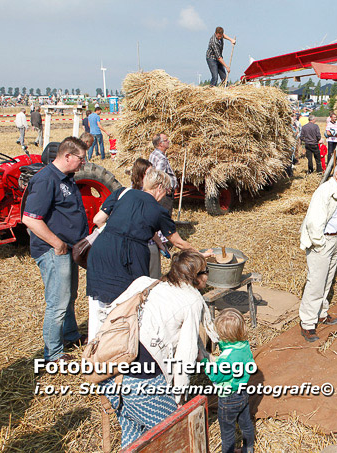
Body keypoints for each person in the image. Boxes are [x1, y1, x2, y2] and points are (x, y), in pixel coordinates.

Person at [100, 250, 220, 448]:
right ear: (196, 275)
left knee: (133, 434)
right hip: (142, 386)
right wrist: (179, 397)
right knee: (175, 437)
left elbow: (110, 314)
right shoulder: (191, 300)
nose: (208, 275)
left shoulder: (145, 283)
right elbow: (185, 357)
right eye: (206, 270)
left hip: (110, 375)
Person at [86, 169, 209, 341]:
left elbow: (98, 220)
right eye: (166, 192)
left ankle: (94, 351)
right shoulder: (158, 211)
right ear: (159, 187)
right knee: (127, 304)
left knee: (98, 305)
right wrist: (200, 254)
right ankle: (119, 348)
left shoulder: (122, 192)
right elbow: (179, 243)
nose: (165, 197)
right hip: (128, 257)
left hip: (101, 250)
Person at [22, 137, 90, 362]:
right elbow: (30, 219)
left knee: (69, 297)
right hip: (54, 251)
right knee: (57, 302)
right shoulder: (46, 179)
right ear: (67, 156)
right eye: (80, 158)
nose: (83, 163)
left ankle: (70, 335)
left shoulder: (66, 178)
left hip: (69, 248)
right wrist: (57, 244)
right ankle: (53, 353)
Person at [298, 162, 337, 342]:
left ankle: (321, 313)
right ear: (336, 174)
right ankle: (307, 323)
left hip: (333, 239)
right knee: (315, 282)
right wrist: (319, 244)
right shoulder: (325, 191)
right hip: (322, 241)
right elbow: (314, 222)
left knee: (327, 280)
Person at [203, 308, 256, 453]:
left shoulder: (228, 357)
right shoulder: (244, 346)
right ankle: (248, 449)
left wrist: (204, 361)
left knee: (227, 432)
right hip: (242, 393)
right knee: (246, 425)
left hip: (228, 398)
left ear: (223, 336)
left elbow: (216, 375)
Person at [149, 133, 178, 213]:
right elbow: (159, 176)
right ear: (160, 144)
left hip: (157, 191)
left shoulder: (153, 154)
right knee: (165, 215)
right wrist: (166, 189)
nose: (168, 141)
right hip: (164, 194)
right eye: (166, 140)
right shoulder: (161, 158)